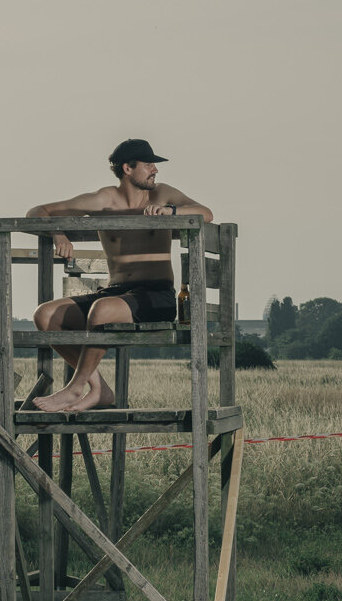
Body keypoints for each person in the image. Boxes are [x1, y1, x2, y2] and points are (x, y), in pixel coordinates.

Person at [26, 137, 213, 414]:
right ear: (128, 168)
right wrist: (58, 233)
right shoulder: (103, 200)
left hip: (156, 296)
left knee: (102, 310)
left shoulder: (161, 194)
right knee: (45, 315)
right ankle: (99, 388)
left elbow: (206, 213)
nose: (155, 170)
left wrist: (171, 211)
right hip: (115, 294)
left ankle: (74, 390)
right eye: (149, 164)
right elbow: (37, 211)